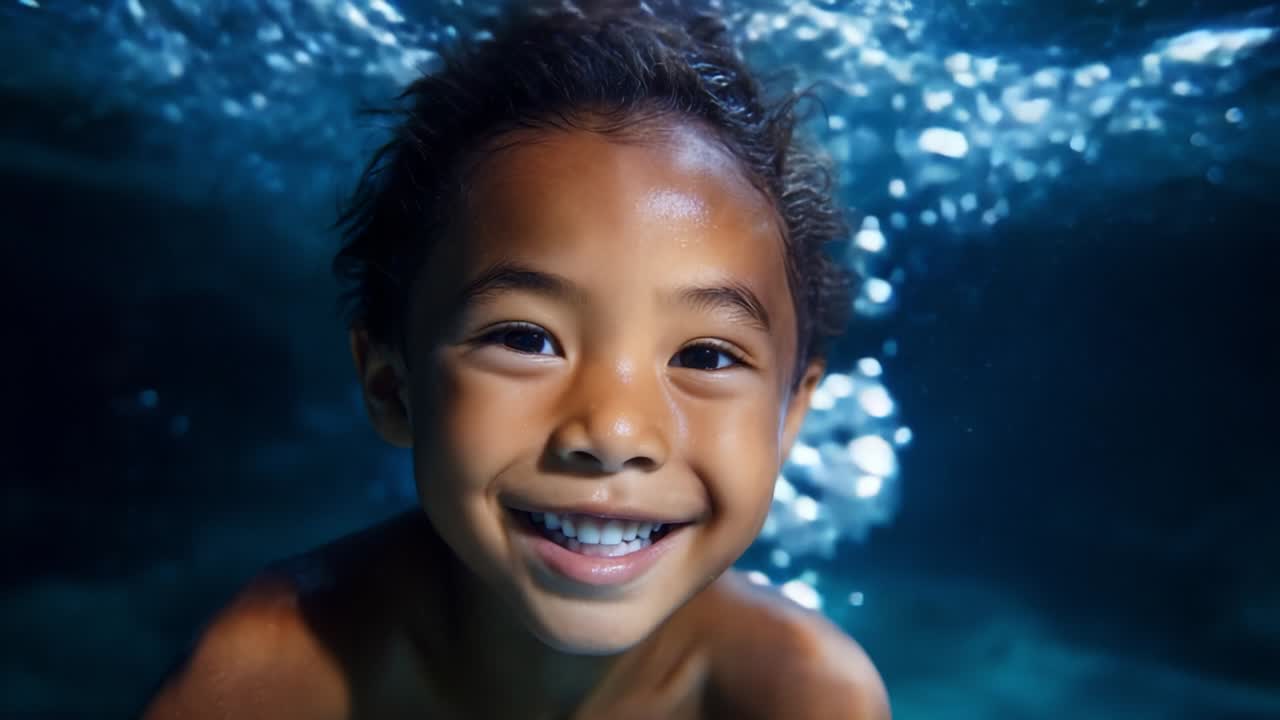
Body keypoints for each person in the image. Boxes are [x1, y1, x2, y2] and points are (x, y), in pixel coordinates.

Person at [142, 2, 889, 717]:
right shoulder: (264, 676)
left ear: (792, 412)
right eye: (525, 339)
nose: (613, 434)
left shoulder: (806, 696)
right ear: (391, 387)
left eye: (705, 354)